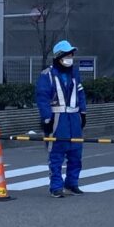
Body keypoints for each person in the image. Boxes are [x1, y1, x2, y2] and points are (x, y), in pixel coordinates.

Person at [35, 40, 88, 198]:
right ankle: (56, 187)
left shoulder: (74, 73)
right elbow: (42, 98)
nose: (70, 57)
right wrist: (46, 119)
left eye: (71, 54)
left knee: (76, 154)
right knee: (56, 154)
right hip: (57, 118)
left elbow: (80, 94)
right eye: (68, 55)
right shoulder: (47, 75)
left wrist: (83, 113)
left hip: (74, 118)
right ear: (59, 57)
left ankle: (72, 184)